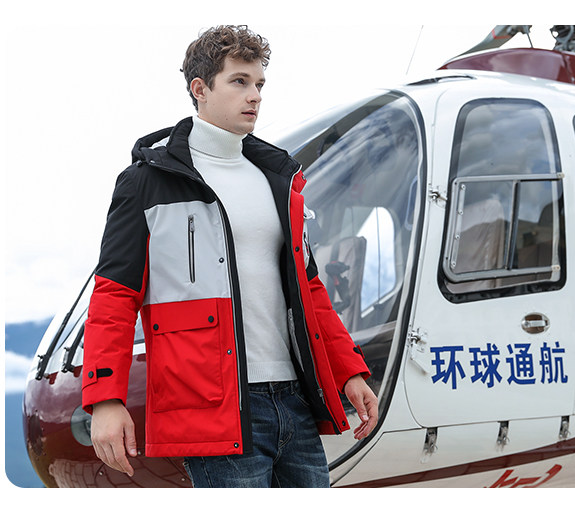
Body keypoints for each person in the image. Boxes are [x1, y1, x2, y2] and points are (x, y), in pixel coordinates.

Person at [82, 25, 378, 488]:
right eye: (239, 81)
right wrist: (105, 399)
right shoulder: (147, 182)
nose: (254, 95)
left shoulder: (278, 179)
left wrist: (349, 371)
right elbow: (114, 297)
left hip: (295, 399)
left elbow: (309, 290)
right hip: (214, 408)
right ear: (200, 89)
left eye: (259, 83)